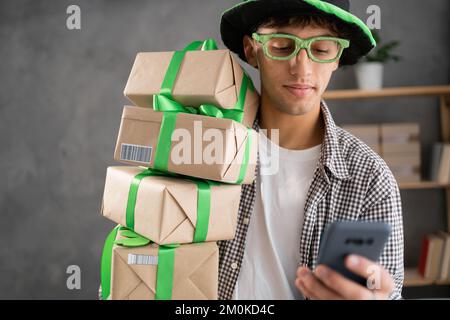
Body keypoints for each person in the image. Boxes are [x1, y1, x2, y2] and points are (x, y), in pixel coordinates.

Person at [218, 0, 404, 300]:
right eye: (281, 45)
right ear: (253, 50)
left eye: (320, 50)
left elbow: (387, 293)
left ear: (337, 57)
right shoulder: (206, 147)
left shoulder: (371, 178)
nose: (301, 69)